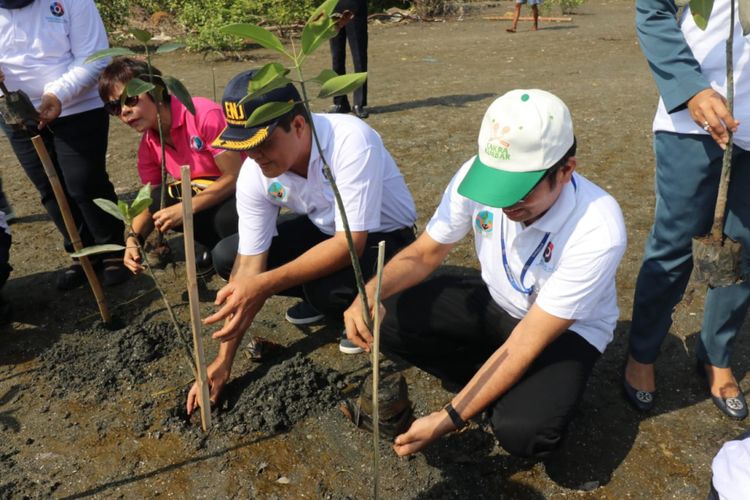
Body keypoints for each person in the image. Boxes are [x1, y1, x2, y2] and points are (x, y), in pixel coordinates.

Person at [344, 89, 627, 458]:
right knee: (391, 313)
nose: (505, 202)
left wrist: (449, 417)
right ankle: (488, 377)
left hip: (564, 330)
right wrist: (369, 294)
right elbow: (427, 252)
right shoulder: (476, 177)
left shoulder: (598, 228)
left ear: (565, 169)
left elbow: (528, 339)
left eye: (519, 190)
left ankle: (507, 388)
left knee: (524, 433)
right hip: (498, 299)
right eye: (495, 185)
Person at [185, 69, 417, 414]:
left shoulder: (350, 140)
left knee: (325, 287)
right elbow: (249, 265)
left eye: (262, 143)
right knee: (227, 256)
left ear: (297, 125)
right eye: (244, 148)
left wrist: (263, 285)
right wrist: (223, 361)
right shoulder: (255, 171)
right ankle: (328, 298)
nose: (255, 156)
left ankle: (339, 301)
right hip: (325, 229)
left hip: (386, 239)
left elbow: (350, 243)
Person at [624, 0, 750, 420]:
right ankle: (642, 354)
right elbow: (653, 8)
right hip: (696, 115)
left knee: (743, 246)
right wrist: (689, 86)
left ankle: (716, 355)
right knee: (674, 244)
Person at [0, 0, 127, 289]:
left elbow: (94, 58)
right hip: (16, 112)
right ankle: (81, 252)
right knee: (47, 187)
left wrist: (57, 93)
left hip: (78, 104)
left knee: (84, 181)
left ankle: (112, 249)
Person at [97, 57, 243, 276]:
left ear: (156, 91)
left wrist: (186, 208)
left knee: (225, 218)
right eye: (114, 107)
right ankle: (214, 246)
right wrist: (132, 239)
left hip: (244, 193)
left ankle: (245, 254)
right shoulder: (149, 143)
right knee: (159, 203)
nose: (123, 112)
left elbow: (235, 175)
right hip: (204, 195)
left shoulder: (202, 114)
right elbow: (149, 200)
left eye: (131, 99)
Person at [329, 0, 369, 118]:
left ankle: (359, 103)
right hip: (334, 7)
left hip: (355, 6)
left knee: (359, 56)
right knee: (336, 57)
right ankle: (340, 102)